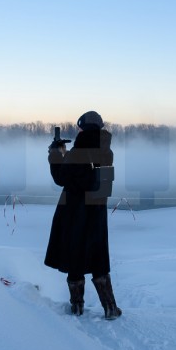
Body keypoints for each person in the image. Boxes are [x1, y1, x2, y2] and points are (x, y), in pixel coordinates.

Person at [44, 111, 122, 320]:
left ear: (83, 128)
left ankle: (77, 307)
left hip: (74, 213)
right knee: (98, 260)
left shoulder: (77, 153)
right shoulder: (107, 152)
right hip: (97, 212)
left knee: (74, 258)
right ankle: (110, 308)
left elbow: (61, 178)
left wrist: (56, 155)